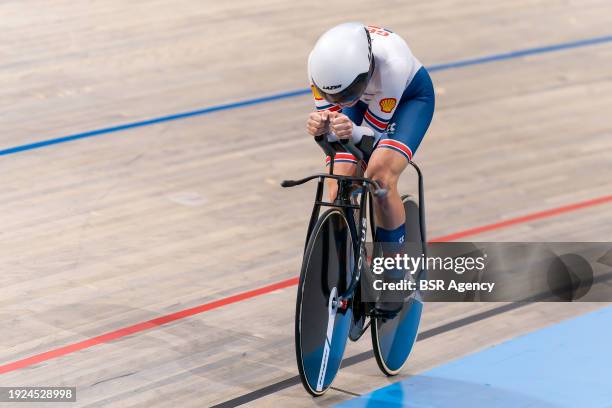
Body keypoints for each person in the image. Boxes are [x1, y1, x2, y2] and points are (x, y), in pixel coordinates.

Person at [306, 22, 435, 250]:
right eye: (333, 95)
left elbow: (370, 141)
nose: (342, 100)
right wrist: (322, 129)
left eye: (348, 92)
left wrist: (351, 131)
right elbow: (335, 137)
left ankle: (396, 269)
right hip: (364, 101)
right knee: (338, 184)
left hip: (407, 99)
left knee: (380, 177)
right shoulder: (319, 69)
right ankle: (350, 258)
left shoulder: (392, 65)